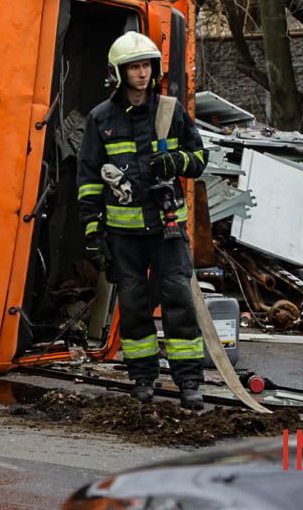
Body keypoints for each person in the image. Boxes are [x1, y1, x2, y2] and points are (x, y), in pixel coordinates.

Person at [76, 30, 209, 409]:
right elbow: (88, 179)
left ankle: (188, 382)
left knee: (179, 301)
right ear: (119, 73)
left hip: (168, 232)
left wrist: (176, 162)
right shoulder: (100, 119)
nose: (141, 74)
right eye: (133, 67)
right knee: (133, 307)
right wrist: (92, 231)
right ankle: (143, 378)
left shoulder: (170, 110)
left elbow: (199, 160)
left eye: (146, 66)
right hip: (123, 236)